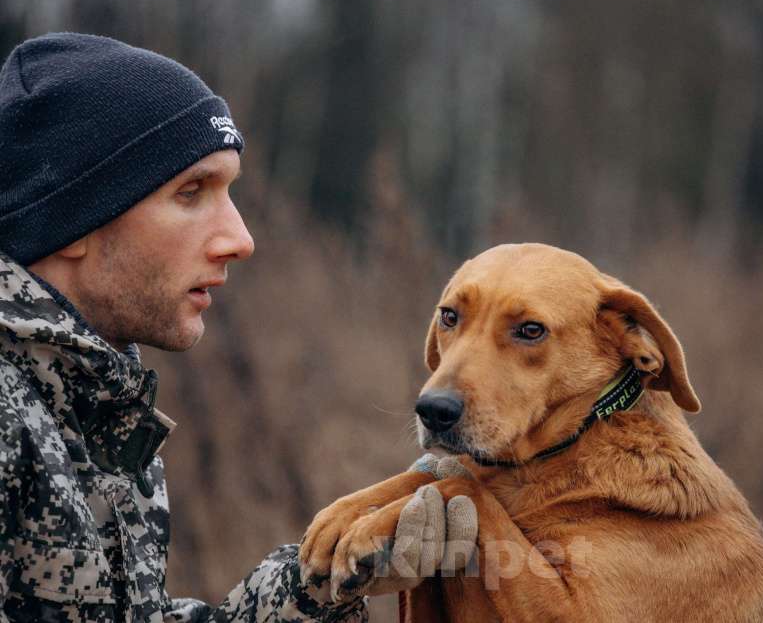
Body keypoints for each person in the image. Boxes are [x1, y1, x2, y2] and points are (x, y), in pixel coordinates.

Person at [0, 33, 475, 623]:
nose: (241, 240)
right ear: (73, 220)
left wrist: (323, 581)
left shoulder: (92, 397)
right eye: (191, 192)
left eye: (229, 192)